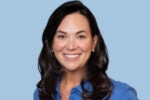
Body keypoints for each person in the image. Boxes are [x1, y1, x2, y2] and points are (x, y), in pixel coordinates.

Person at [34, 1, 138, 100]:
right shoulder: (42, 93)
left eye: (80, 36)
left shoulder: (121, 95)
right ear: (51, 43)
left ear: (94, 42)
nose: (71, 46)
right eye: (62, 36)